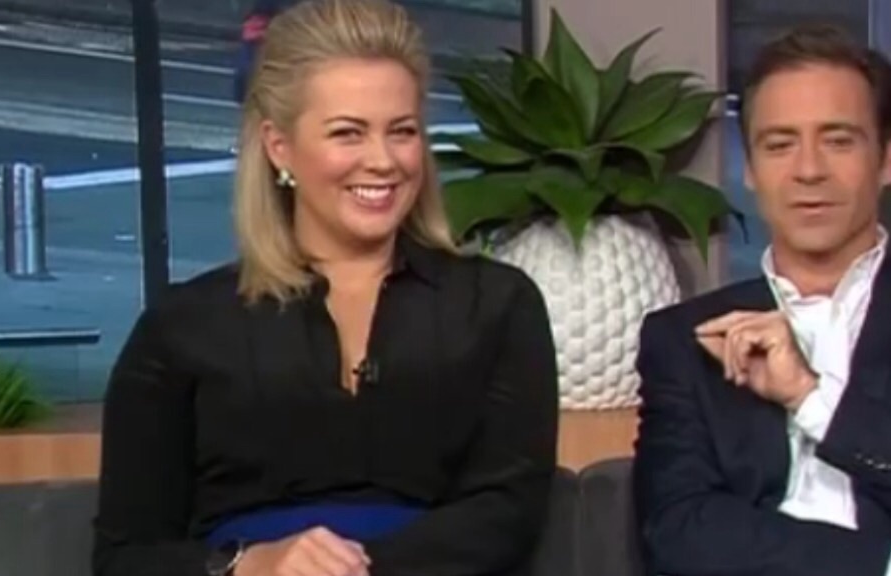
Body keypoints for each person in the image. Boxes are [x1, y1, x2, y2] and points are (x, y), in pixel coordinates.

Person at [92, 1, 559, 575]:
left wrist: (351, 570)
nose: (382, 161)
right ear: (279, 146)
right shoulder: (181, 329)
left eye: (402, 131)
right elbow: (125, 559)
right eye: (348, 133)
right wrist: (249, 566)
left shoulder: (497, 306)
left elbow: (507, 515)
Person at [633, 24, 891, 576]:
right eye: (779, 145)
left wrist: (808, 397)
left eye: (838, 140)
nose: (809, 170)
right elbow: (678, 529)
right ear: (750, 170)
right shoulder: (686, 339)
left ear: (886, 160)